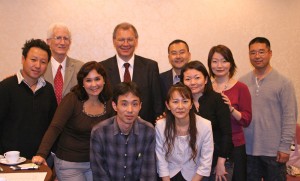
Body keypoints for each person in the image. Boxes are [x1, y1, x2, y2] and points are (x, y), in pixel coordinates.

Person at [32, 61, 114, 181]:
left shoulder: (109, 101)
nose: (94, 84)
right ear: (82, 83)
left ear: (104, 80)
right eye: (88, 80)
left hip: (95, 163)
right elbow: (55, 127)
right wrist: (41, 154)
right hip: (69, 163)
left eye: (97, 79)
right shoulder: (72, 99)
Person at [240, 37, 298, 181]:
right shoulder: (242, 82)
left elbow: (290, 118)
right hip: (248, 150)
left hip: (274, 152)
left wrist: (285, 147)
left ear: (270, 53)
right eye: (253, 53)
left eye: (261, 52)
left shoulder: (284, 83)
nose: (257, 56)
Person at [0, 39, 57, 159]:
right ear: (23, 59)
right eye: (33, 60)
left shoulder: (48, 89)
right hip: (9, 159)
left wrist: (47, 153)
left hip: (39, 158)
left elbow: (53, 125)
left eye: (43, 62)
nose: (38, 66)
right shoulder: (6, 87)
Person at [90, 82, 156, 180]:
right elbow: (99, 174)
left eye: (134, 104)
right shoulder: (99, 132)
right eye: (124, 104)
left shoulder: (148, 131)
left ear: (140, 106)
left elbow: (148, 173)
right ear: (114, 105)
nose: (130, 110)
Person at [100, 22, 163, 124]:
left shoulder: (150, 67)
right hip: (111, 131)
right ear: (114, 41)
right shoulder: (102, 68)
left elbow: (158, 104)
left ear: (136, 41)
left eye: (130, 39)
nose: (125, 44)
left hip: (144, 130)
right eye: (121, 40)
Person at [181, 61, 233, 181]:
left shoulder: (218, 100)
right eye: (188, 79)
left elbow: (226, 133)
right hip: (191, 163)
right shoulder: (181, 103)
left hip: (218, 160)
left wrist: (221, 162)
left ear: (205, 79)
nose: (193, 82)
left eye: (197, 78)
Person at [207, 45, 252, 181]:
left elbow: (246, 120)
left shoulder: (241, 88)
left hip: (235, 146)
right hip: (212, 146)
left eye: (224, 60)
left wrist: (231, 109)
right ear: (209, 64)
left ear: (231, 63)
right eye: (215, 61)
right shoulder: (206, 88)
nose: (219, 65)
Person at [156, 83, 214, 181]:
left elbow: (205, 162)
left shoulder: (205, 125)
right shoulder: (161, 125)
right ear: (168, 105)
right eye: (175, 102)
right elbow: (161, 159)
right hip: (169, 174)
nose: (180, 106)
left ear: (191, 104)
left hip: (195, 175)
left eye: (185, 101)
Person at [44, 22, 84, 104]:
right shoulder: (41, 67)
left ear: (70, 43)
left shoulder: (80, 67)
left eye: (66, 38)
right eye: (58, 38)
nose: (62, 43)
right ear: (48, 41)